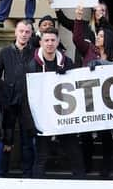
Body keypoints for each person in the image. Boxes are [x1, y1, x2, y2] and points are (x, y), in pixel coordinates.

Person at [29, 27, 86, 178]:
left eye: (53, 40)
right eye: (46, 40)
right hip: (43, 119)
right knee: (41, 157)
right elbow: (27, 96)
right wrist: (32, 122)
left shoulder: (67, 62)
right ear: (40, 42)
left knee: (75, 155)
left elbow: (76, 88)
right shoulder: (32, 65)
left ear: (58, 42)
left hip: (65, 117)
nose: (49, 43)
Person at [73, 6, 113, 177]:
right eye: (97, 36)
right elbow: (77, 38)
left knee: (106, 136)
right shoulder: (89, 50)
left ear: (107, 39)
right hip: (89, 100)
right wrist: (79, 19)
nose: (97, 38)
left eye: (101, 36)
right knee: (86, 136)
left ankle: (106, 167)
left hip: (107, 102)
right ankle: (87, 165)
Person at [0, 19, 36, 177]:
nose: (24, 34)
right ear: (15, 32)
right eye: (21, 31)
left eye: (27, 32)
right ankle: (3, 173)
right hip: (9, 103)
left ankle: (27, 174)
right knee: (7, 140)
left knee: (27, 141)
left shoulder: (35, 52)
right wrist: (3, 93)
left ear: (31, 34)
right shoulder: (5, 52)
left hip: (28, 103)